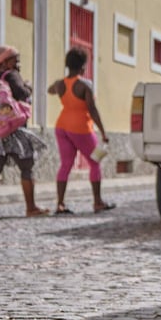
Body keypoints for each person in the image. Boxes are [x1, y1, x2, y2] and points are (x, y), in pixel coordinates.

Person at [0, 46, 49, 221]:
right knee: (26, 166)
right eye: (15, 59)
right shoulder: (12, 76)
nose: (18, 62)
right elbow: (22, 94)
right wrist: (28, 87)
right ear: (5, 62)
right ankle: (31, 208)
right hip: (14, 131)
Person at [48, 47, 115, 214]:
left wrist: (58, 85)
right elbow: (92, 110)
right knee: (95, 162)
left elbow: (50, 90)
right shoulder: (85, 85)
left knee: (65, 165)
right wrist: (103, 131)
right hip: (81, 128)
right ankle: (98, 202)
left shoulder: (60, 84)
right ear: (83, 67)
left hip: (62, 126)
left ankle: (60, 204)